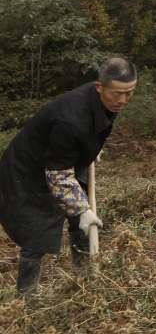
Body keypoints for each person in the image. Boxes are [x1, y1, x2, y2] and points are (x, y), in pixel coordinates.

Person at [0, 57, 137, 294]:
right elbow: (58, 175)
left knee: (80, 219)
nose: (123, 100)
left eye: (129, 92)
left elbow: (90, 130)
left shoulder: (104, 99)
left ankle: (83, 278)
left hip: (61, 159)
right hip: (29, 170)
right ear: (99, 87)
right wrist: (82, 210)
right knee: (37, 231)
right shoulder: (71, 120)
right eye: (117, 94)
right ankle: (27, 300)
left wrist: (91, 147)